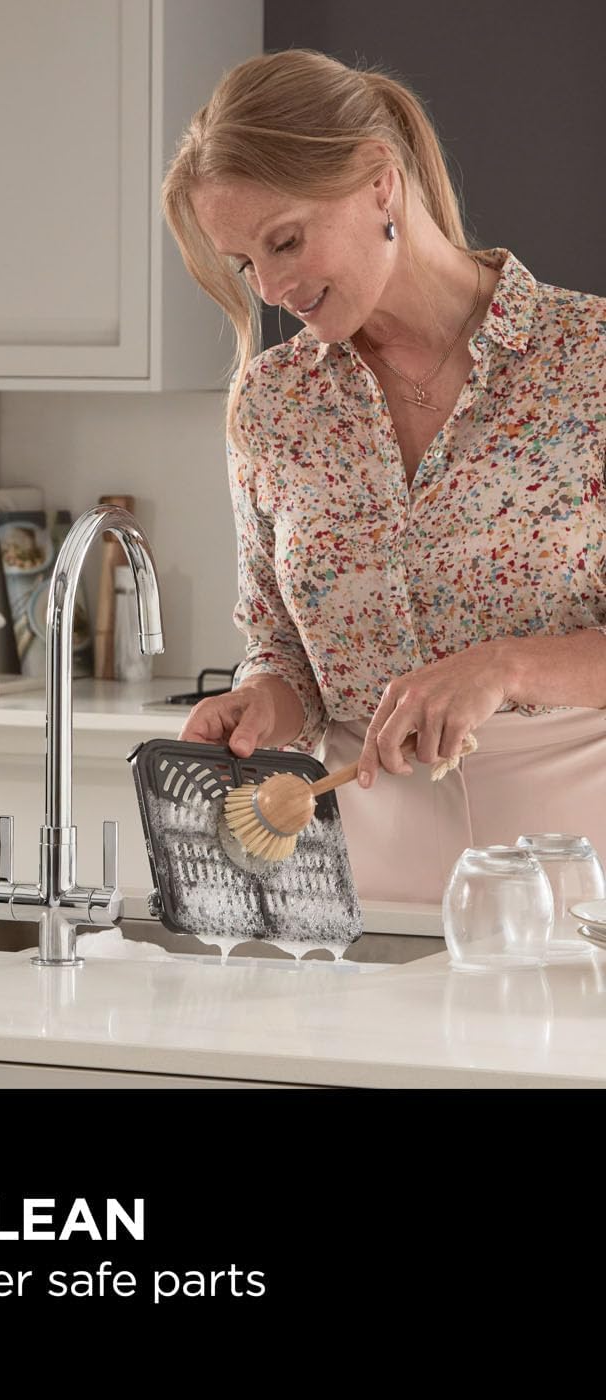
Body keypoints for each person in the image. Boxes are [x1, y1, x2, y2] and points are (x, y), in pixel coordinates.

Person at [160, 49, 606, 903]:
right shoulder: (274, 401)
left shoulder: (586, 361)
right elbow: (282, 644)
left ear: (378, 181)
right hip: (365, 871)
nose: (274, 286)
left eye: (286, 239)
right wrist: (265, 702)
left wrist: (504, 667)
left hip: (582, 863)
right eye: (246, 263)